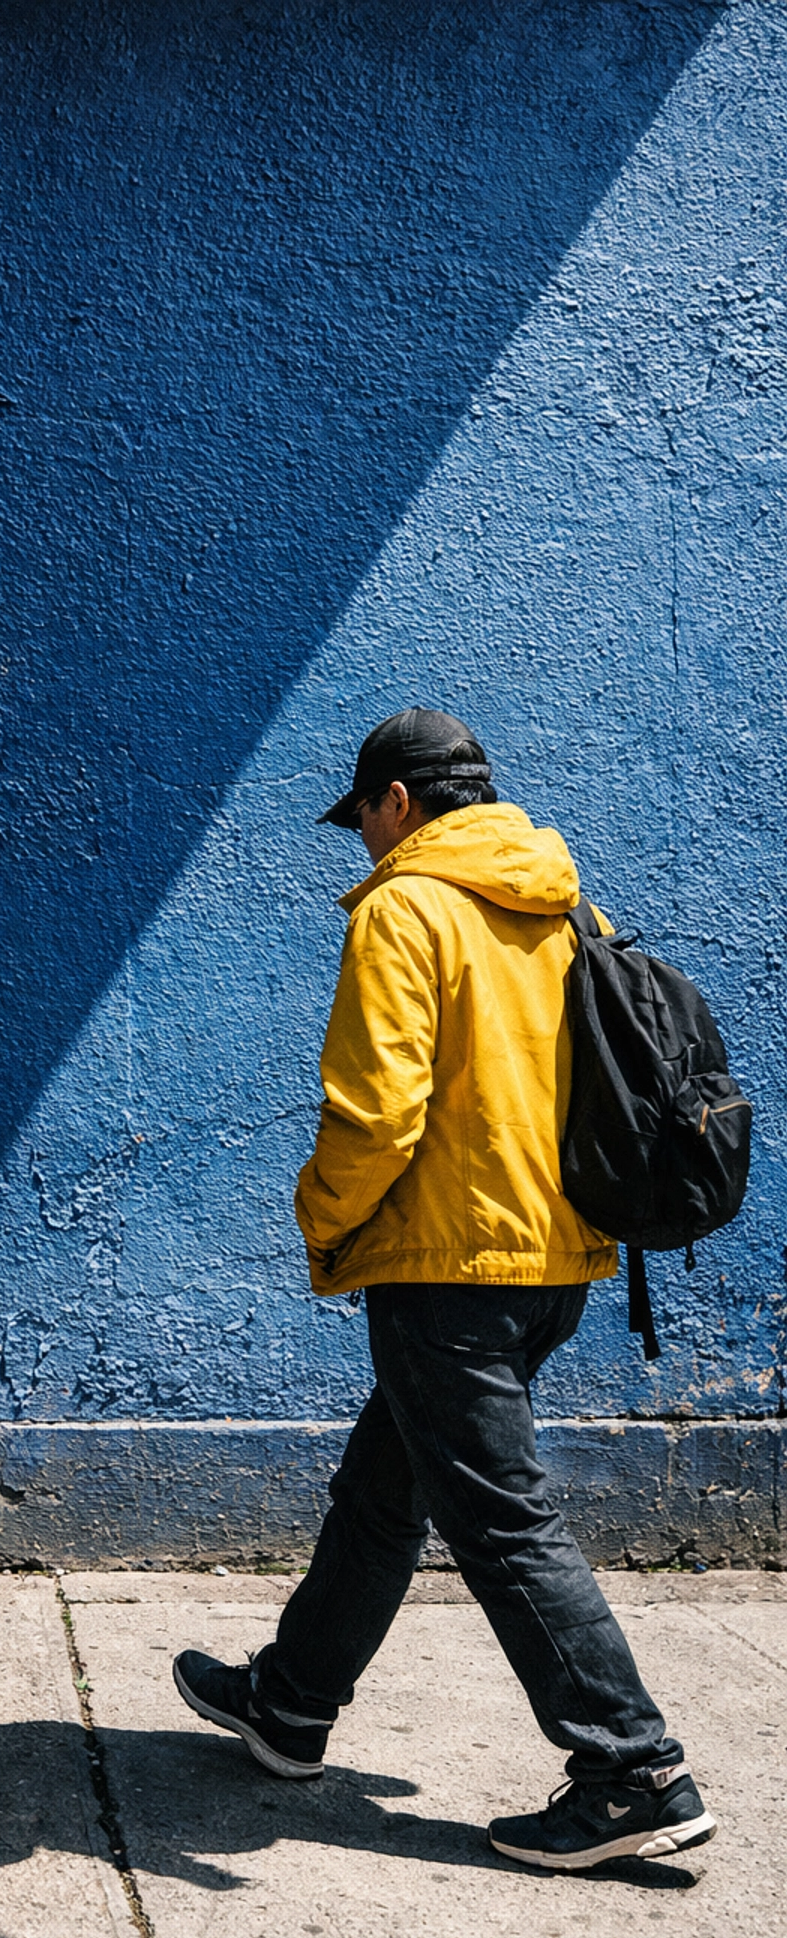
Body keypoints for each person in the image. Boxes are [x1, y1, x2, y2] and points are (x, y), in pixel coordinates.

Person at [172, 709, 716, 1871]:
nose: (359, 839)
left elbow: (377, 1112)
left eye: (361, 816)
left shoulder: (404, 908)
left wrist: (323, 1218)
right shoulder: (567, 904)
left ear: (399, 802)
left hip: (446, 1263)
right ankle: (291, 1704)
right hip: (557, 1260)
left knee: (501, 1521)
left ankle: (632, 1770)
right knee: (385, 1488)